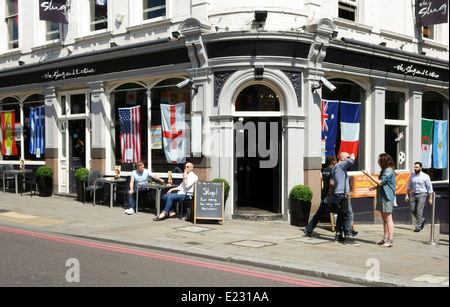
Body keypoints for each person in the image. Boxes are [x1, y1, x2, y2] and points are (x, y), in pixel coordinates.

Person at [362, 153, 396, 247]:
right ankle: (385, 239)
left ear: (383, 161)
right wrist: (375, 187)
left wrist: (368, 175)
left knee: (388, 218)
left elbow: (381, 182)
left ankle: (390, 240)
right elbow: (383, 184)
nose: (378, 162)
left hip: (387, 197)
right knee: (384, 219)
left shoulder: (388, 170)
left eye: (379, 160)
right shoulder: (385, 170)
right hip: (382, 196)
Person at [303, 155, 337, 237]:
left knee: (320, 213)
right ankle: (340, 232)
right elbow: (331, 184)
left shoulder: (325, 171)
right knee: (339, 213)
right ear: (332, 162)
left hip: (324, 194)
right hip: (330, 196)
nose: (336, 161)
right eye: (335, 160)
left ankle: (309, 228)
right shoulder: (333, 171)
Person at [329, 152, 358, 246]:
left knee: (341, 215)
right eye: (347, 157)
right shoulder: (340, 166)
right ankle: (348, 236)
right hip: (342, 195)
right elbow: (352, 161)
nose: (348, 158)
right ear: (341, 158)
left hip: (338, 194)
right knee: (349, 215)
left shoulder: (337, 167)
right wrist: (352, 155)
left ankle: (338, 235)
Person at [405, 162, 434, 232]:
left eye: (417, 167)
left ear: (421, 168)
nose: (415, 169)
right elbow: (409, 186)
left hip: (422, 194)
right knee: (412, 209)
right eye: (414, 167)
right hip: (414, 194)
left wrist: (430, 198)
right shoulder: (412, 176)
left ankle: (418, 226)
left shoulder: (425, 176)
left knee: (419, 210)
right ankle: (422, 219)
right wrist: (406, 195)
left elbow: (430, 188)